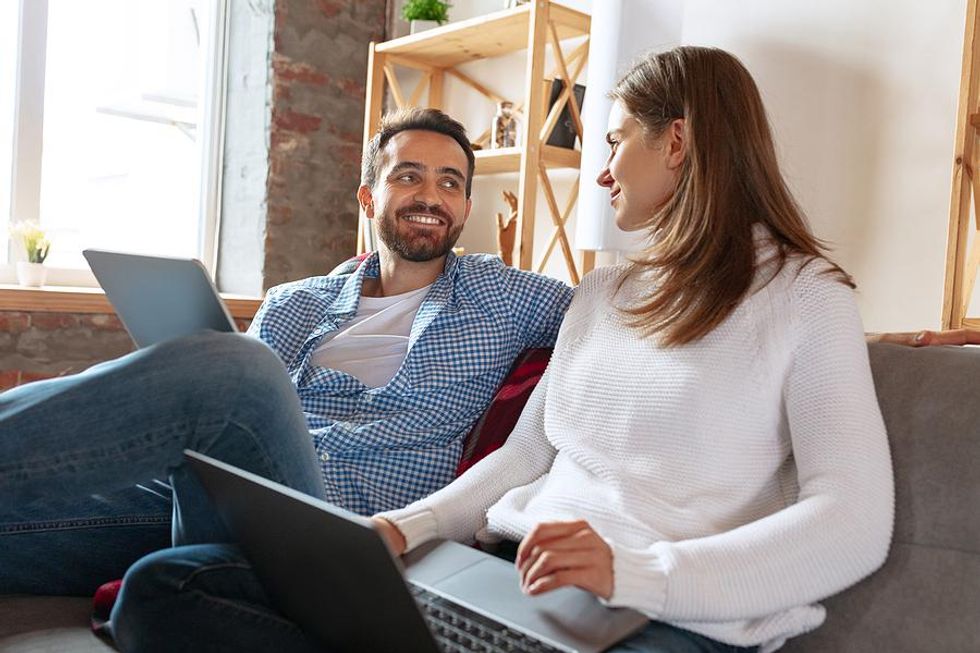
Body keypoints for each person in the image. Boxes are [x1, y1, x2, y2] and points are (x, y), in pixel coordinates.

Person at [113, 45, 898, 652]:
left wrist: (640, 574)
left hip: (660, 616)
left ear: (678, 143)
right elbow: (526, 457)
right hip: (500, 576)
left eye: (616, 140)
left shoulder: (806, 297)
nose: (601, 172)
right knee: (164, 588)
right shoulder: (603, 293)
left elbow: (854, 516)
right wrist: (407, 527)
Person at [0, 108, 573, 597]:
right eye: (409, 176)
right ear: (369, 197)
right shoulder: (296, 301)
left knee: (238, 369)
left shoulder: (503, 295)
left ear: (467, 207)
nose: (431, 196)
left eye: (451, 182)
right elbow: (228, 433)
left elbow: (618, 310)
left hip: (340, 526)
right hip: (226, 501)